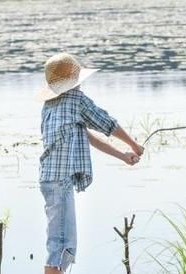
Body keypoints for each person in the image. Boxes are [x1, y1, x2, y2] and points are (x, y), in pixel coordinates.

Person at [38, 53, 144, 274]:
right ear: (74, 82)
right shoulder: (76, 100)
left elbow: (86, 135)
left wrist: (123, 156)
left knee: (58, 242)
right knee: (61, 245)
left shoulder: (51, 104)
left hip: (49, 180)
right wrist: (134, 145)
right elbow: (106, 122)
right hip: (60, 181)